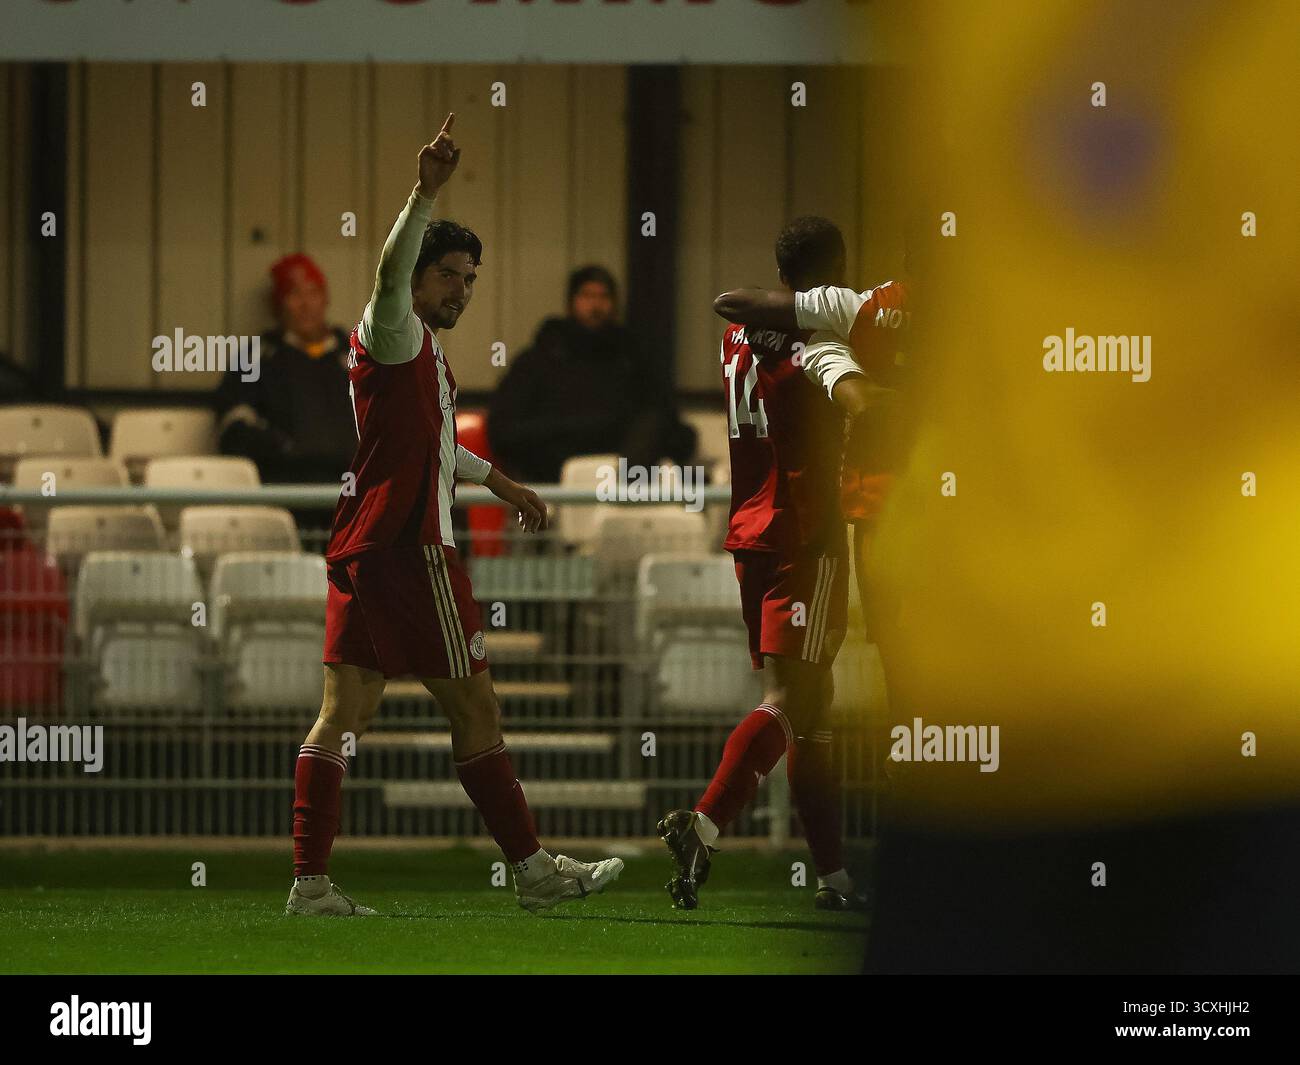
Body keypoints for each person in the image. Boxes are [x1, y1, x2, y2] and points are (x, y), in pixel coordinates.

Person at [286, 114, 624, 917]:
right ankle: (534, 870)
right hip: (412, 548)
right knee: (476, 708)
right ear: (418, 276)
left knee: (343, 712)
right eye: (448, 275)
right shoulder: (393, 325)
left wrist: (502, 482)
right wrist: (425, 192)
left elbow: (436, 447)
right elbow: (387, 271)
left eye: (470, 278)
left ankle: (310, 883)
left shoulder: (422, 351)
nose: (461, 290)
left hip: (362, 546)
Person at [657, 217, 888, 912]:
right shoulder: (822, 341)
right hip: (805, 535)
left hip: (749, 534)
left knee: (811, 710)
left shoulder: (738, 333)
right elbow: (856, 403)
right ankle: (704, 824)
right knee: (793, 699)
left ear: (782, 274)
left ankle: (833, 878)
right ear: (838, 271)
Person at [487, 265, 696, 483]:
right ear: (571, 302)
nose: (596, 305)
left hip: (624, 467)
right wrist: (570, 431)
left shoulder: (633, 359)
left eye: (603, 296)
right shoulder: (539, 360)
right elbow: (504, 431)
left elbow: (665, 419)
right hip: (553, 475)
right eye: (587, 296)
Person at [213, 253, 357, 483]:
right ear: (278, 305)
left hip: (353, 489)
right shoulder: (256, 359)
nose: (306, 304)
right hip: (284, 490)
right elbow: (232, 430)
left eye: (313, 292)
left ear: (325, 299)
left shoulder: (355, 354)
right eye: (294, 294)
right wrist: (285, 448)